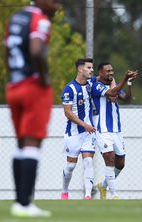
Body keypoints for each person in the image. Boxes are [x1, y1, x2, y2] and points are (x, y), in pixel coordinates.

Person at [4, 0, 61, 217]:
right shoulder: (41, 20)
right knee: (32, 143)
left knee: (20, 144)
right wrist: (44, 77)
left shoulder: (16, 18)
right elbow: (37, 50)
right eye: (53, 0)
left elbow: (5, 48)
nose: (56, 6)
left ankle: (19, 201)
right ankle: (25, 204)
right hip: (33, 86)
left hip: (14, 85)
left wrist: (14, 75)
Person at [92, 63, 138, 199]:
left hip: (116, 130)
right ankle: (114, 195)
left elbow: (127, 99)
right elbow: (111, 93)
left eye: (112, 70)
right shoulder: (96, 86)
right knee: (110, 159)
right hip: (103, 129)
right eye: (107, 71)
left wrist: (129, 83)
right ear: (100, 73)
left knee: (120, 163)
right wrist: (124, 79)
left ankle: (103, 185)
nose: (111, 73)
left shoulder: (115, 85)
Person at [60, 58, 96, 200]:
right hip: (73, 133)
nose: (91, 70)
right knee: (70, 167)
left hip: (88, 134)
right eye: (89, 68)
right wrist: (84, 125)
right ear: (80, 69)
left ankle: (87, 195)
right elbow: (67, 112)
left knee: (88, 161)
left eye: (92, 68)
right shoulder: (70, 88)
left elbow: (104, 77)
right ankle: (64, 191)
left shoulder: (91, 84)